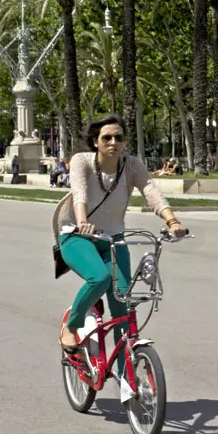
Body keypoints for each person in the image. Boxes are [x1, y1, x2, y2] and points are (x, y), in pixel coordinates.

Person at [53, 114, 188, 370]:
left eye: (119, 137)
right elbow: (79, 192)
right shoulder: (82, 161)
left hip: (113, 239)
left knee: (123, 305)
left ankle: (128, 376)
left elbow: (151, 191)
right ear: (95, 141)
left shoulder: (132, 165)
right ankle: (71, 327)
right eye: (107, 138)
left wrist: (172, 222)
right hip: (77, 235)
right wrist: (82, 221)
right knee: (100, 278)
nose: (113, 142)